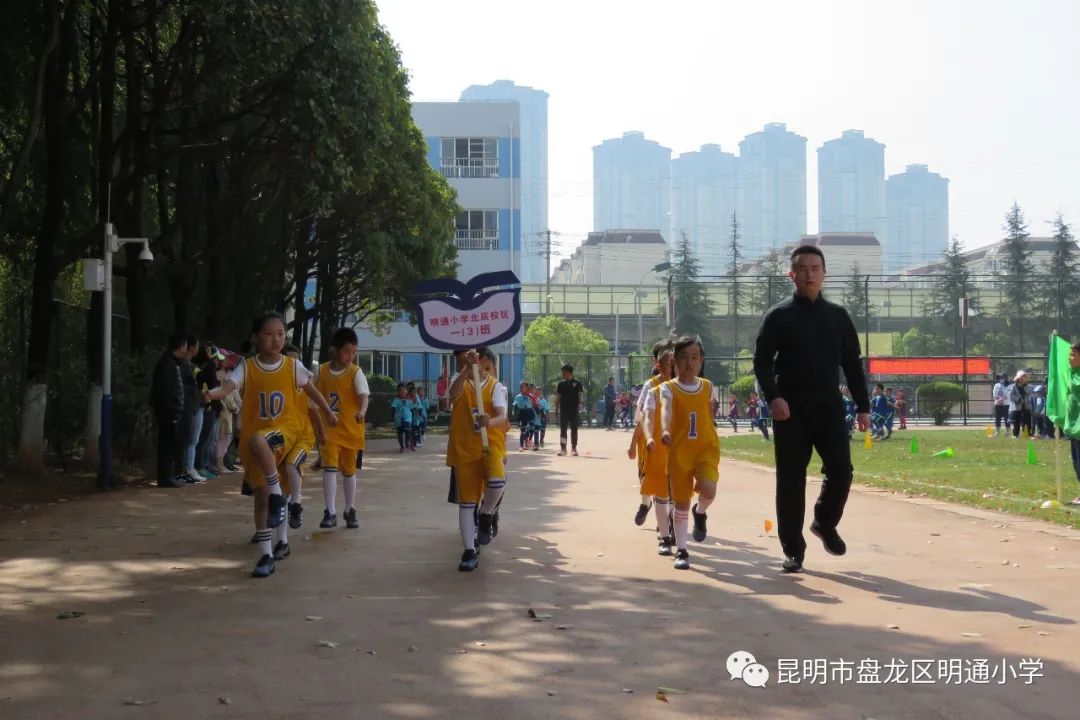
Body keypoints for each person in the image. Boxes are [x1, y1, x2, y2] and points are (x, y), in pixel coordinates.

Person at [752, 245, 870, 574]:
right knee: (791, 480)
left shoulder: (838, 316)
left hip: (830, 406)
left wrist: (863, 405)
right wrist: (773, 397)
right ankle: (793, 550)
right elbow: (761, 361)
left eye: (815, 268)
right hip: (790, 409)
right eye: (802, 268)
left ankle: (824, 522)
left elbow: (852, 364)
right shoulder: (778, 316)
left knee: (842, 471)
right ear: (792, 274)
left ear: (824, 273)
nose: (809, 274)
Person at [205, 312, 338, 578]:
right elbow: (228, 387)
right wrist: (212, 393)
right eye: (269, 334)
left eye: (281, 333)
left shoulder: (292, 367)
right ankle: (267, 553)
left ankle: (281, 510)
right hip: (257, 442)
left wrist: (328, 411)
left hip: (285, 431)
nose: (276, 339)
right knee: (261, 497)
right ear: (256, 337)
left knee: (265, 455)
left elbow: (312, 391)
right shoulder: (248, 367)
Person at [659, 335, 720, 570]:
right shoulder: (669, 388)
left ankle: (701, 511)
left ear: (701, 360)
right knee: (681, 503)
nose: (689, 363)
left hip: (705, 450)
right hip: (679, 453)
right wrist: (665, 430)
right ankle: (682, 550)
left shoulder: (707, 387)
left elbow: (708, 413)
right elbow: (665, 411)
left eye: (694, 358)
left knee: (709, 489)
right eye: (684, 358)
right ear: (675, 361)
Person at [446, 347, 508, 572]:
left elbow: (502, 415)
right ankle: (469, 550)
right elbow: (452, 395)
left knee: (497, 482)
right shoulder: (460, 381)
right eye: (462, 362)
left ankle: (486, 514)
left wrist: (488, 422)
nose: (466, 365)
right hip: (464, 450)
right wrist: (464, 372)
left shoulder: (495, 387)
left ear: (482, 362)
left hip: (490, 447)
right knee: (466, 502)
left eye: (470, 361)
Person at [313, 328, 370, 530]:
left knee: (349, 471)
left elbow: (364, 396)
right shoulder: (320, 372)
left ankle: (350, 509)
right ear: (334, 351)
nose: (351, 356)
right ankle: (330, 511)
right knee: (329, 469)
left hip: (351, 431)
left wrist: (362, 412)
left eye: (354, 352)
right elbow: (312, 401)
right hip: (329, 432)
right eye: (347, 352)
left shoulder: (356, 372)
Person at [627, 339, 675, 526]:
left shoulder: (680, 383)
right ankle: (646, 505)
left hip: (671, 443)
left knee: (670, 482)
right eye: (667, 356)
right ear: (657, 361)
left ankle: (665, 522)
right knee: (648, 480)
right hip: (651, 442)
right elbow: (641, 418)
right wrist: (633, 444)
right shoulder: (651, 386)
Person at [637, 344, 676, 555]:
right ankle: (664, 534)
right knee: (652, 486)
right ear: (658, 365)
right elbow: (642, 417)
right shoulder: (651, 389)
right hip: (653, 447)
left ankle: (670, 528)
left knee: (675, 494)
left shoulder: (686, 386)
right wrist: (639, 441)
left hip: (677, 449)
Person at [150, 332, 188, 488]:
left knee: (170, 443)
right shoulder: (167, 364)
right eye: (185, 345)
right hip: (168, 411)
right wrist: (172, 409)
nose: (186, 348)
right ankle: (165, 477)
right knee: (167, 443)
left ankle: (168, 475)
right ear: (180, 346)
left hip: (171, 410)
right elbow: (165, 391)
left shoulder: (172, 363)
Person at [177, 334, 201, 483]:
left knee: (190, 439)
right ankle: (184, 470)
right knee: (187, 440)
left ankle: (186, 470)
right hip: (186, 406)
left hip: (191, 406)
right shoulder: (183, 365)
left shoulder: (190, 365)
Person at [555, 364, 584, 456]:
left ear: (569, 372)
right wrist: (556, 408)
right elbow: (559, 397)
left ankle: (574, 448)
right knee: (563, 430)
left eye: (564, 372)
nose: (563, 374)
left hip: (574, 410)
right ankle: (563, 448)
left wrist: (580, 403)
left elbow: (580, 394)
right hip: (564, 410)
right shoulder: (561, 384)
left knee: (574, 429)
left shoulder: (577, 383)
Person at [1009, 370, 1033, 438]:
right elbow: (1011, 396)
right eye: (1021, 377)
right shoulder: (1013, 387)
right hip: (1017, 407)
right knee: (1016, 422)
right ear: (1018, 378)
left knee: (1027, 421)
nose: (1023, 379)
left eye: (1024, 377)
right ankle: (1015, 434)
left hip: (1026, 407)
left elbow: (1030, 393)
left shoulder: (1029, 386)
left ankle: (1027, 434)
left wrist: (1025, 388)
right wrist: (1018, 399)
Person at [512, 382, 536, 450]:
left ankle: (530, 440)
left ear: (526, 388)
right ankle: (521, 446)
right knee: (523, 431)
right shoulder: (517, 397)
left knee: (532, 426)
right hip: (522, 413)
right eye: (520, 387)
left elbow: (534, 403)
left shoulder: (530, 395)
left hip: (529, 412)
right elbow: (515, 405)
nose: (521, 388)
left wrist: (537, 411)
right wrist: (514, 411)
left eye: (523, 387)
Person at [391, 383, 413, 453]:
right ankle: (402, 446)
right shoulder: (396, 400)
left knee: (407, 429)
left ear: (406, 391)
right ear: (398, 392)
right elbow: (393, 407)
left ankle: (407, 442)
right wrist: (393, 414)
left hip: (407, 417)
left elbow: (412, 408)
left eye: (404, 390)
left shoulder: (409, 400)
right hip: (398, 419)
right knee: (400, 432)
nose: (403, 392)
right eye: (401, 390)